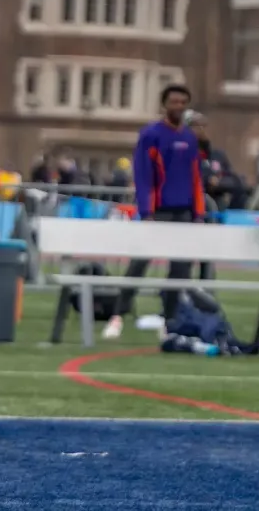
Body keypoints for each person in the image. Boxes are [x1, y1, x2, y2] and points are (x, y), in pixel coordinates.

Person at [102, 85, 205, 340]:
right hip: (158, 211)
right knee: (139, 264)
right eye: (174, 102)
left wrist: (199, 212)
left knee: (180, 270)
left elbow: (196, 177)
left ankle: (169, 321)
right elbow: (143, 174)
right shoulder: (151, 134)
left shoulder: (190, 138)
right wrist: (147, 210)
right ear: (164, 105)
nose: (178, 106)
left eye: (183, 102)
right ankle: (117, 316)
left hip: (184, 212)